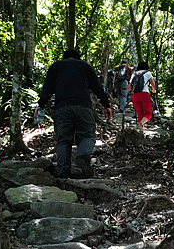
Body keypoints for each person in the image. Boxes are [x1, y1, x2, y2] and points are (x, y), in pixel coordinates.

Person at [34, 48, 112, 179]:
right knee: (87, 135)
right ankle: (82, 157)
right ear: (78, 57)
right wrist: (106, 105)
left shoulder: (55, 67)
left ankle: (63, 173)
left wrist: (40, 105)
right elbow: (97, 87)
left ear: (64, 57)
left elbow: (47, 88)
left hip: (62, 108)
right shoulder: (85, 67)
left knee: (63, 140)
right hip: (83, 107)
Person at [130, 61, 155, 129]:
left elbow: (129, 87)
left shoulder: (134, 74)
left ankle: (140, 130)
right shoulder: (148, 73)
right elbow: (153, 84)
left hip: (135, 95)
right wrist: (154, 90)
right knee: (148, 113)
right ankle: (141, 124)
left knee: (140, 114)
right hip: (144, 94)